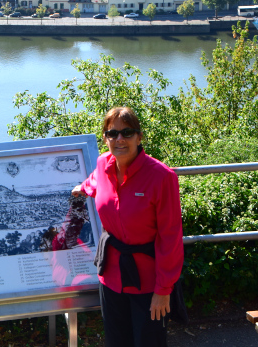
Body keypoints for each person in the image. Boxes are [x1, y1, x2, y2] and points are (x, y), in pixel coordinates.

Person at [72, 107, 183, 347]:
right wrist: (82, 189)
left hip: (149, 282)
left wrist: (163, 290)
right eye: (112, 134)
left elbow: (170, 237)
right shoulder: (103, 164)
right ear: (105, 138)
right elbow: (93, 183)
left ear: (139, 137)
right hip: (111, 276)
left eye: (127, 132)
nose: (119, 139)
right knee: (116, 342)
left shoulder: (162, 177)